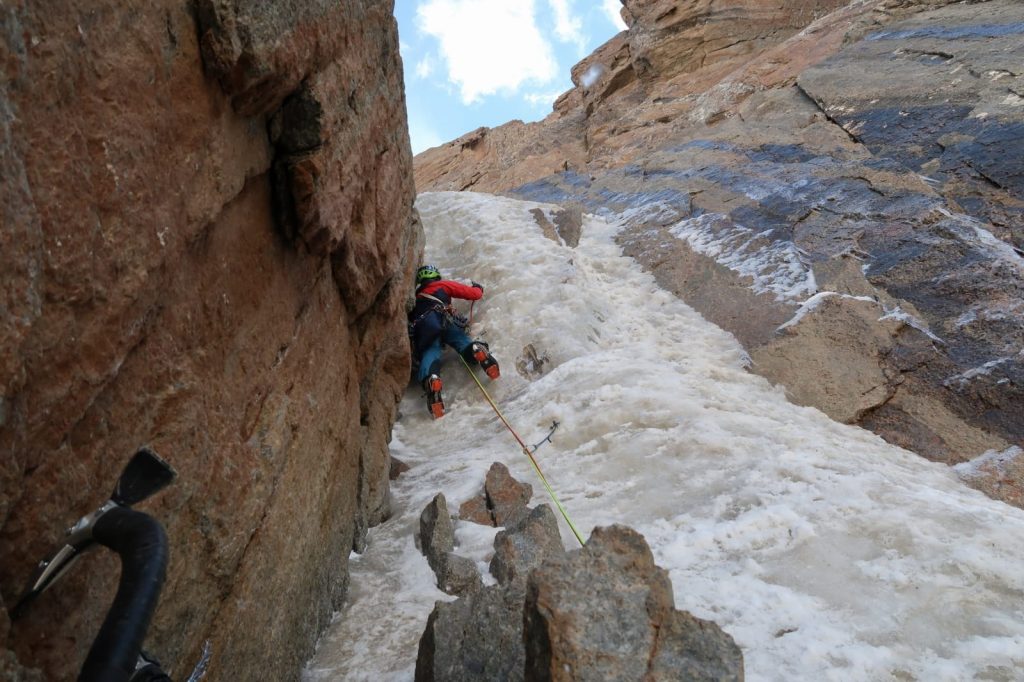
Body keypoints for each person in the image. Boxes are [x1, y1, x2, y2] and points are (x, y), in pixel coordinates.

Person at [408, 264, 500, 418]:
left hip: (427, 330)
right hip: (446, 321)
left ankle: (432, 378)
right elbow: (473, 294)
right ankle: (475, 349)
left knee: (430, 352)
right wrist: (478, 288)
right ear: (435, 276)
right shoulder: (442, 285)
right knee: (461, 341)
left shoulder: (415, 300)